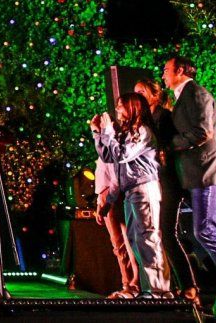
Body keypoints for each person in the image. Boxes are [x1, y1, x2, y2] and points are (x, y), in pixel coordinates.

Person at [161, 56, 216, 297]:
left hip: (209, 173)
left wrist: (170, 145)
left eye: (166, 70)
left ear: (180, 70)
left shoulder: (195, 93)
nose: (163, 75)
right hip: (203, 175)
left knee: (205, 230)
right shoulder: (184, 96)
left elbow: (203, 132)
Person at [91, 92, 170, 297]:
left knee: (148, 238)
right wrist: (98, 133)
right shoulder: (127, 133)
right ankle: (149, 289)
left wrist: (108, 130)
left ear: (133, 108)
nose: (117, 109)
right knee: (136, 240)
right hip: (130, 192)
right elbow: (109, 157)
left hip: (144, 189)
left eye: (121, 105)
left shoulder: (143, 131)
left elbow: (121, 154)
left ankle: (159, 292)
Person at [135, 77, 199, 304]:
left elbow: (165, 146)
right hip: (156, 181)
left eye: (142, 93)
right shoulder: (147, 119)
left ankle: (189, 286)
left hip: (168, 180)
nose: (138, 98)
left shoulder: (163, 117)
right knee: (159, 233)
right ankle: (174, 284)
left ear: (154, 95)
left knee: (167, 231)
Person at [94, 147, 140, 298]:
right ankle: (127, 283)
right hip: (106, 195)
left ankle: (134, 284)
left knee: (127, 241)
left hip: (114, 195)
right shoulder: (102, 149)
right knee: (118, 244)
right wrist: (99, 202)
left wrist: (108, 201)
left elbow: (115, 176)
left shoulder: (111, 145)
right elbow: (102, 177)